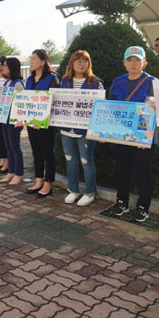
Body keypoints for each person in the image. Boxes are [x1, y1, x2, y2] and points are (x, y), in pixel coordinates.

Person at [109, 46, 157, 222]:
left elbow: (155, 111)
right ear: (124, 63)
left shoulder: (153, 82)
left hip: (144, 138)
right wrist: (105, 132)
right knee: (122, 171)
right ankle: (121, 202)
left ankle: (143, 207)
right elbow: (111, 108)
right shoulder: (118, 82)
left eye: (138, 60)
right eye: (130, 60)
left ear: (145, 62)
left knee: (143, 173)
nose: (133, 63)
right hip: (121, 136)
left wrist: (143, 136)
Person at [60, 50, 104, 207]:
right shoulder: (64, 81)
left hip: (86, 130)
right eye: (78, 61)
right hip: (66, 128)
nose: (81, 64)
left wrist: (99, 130)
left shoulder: (96, 83)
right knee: (70, 159)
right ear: (72, 63)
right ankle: (73, 190)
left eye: (85, 61)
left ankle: (90, 192)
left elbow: (102, 107)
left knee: (86, 161)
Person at [25, 50, 60, 197]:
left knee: (47, 153)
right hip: (31, 122)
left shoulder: (52, 78)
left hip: (46, 123)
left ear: (43, 61)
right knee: (36, 152)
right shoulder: (30, 79)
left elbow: (55, 100)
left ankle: (48, 183)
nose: (31, 62)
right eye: (30, 59)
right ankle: (38, 180)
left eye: (34, 59)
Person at [0, 58, 24, 185]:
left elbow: (20, 103)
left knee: (15, 147)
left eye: (5, 66)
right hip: (5, 118)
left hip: (14, 120)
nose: (3, 68)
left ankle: (18, 174)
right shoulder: (7, 82)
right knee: (8, 147)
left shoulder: (18, 83)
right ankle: (11, 171)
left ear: (11, 68)